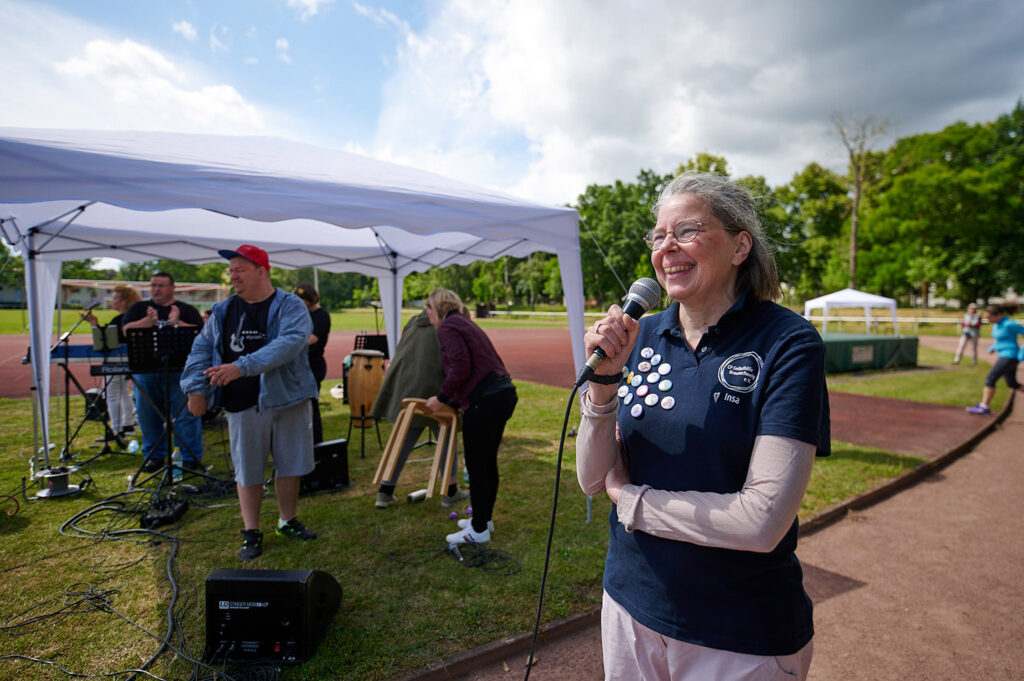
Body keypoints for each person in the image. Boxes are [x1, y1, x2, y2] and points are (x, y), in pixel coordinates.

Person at [577, 172, 829, 680]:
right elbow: (591, 478)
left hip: (738, 631)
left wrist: (631, 500)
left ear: (740, 246)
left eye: (687, 230)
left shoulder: (788, 342)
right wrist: (603, 386)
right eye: (657, 236)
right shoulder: (641, 335)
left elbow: (760, 523)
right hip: (629, 603)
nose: (666, 247)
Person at [181, 244, 319, 561]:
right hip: (242, 401)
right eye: (231, 271)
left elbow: (289, 344)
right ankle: (251, 531)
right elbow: (200, 350)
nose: (233, 276)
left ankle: (287, 521)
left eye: (240, 270)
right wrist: (195, 388)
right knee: (248, 470)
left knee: (290, 464)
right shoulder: (222, 311)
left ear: (261, 271)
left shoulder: (291, 306)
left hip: (287, 397)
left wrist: (241, 366)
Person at [424, 289, 517, 545]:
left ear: (437, 307)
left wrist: (442, 398)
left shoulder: (447, 327)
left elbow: (460, 366)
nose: (427, 313)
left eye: (428, 307)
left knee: (477, 465)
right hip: (501, 394)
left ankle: (478, 529)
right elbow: (474, 366)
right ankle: (483, 519)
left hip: (486, 400)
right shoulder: (463, 322)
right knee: (487, 463)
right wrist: (454, 401)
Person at [371, 309, 466, 509]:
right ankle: (450, 490)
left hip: (407, 388)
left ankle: (385, 490)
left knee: (405, 439)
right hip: (435, 388)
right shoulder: (447, 325)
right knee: (447, 436)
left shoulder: (414, 322)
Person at [122, 272, 204, 473]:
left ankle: (189, 457)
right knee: (148, 416)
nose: (156, 289)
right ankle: (154, 456)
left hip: (181, 372)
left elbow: (202, 334)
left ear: (172, 288)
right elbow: (126, 330)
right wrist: (147, 322)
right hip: (147, 371)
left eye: (161, 285)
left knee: (185, 416)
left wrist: (178, 323)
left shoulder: (186, 310)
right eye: (153, 285)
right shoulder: (139, 309)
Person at [82, 284, 142, 438]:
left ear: (124, 301)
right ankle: (127, 424)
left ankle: (116, 429)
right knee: (124, 392)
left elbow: (105, 341)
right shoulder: (134, 317)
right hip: (133, 359)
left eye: (115, 298)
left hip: (117, 359)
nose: (112, 301)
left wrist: (94, 324)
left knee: (113, 393)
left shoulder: (120, 319)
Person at [965, 303, 1024, 415]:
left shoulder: (1009, 324)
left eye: (990, 318)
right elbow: (1003, 339)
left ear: (999, 315)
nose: (988, 320)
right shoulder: (997, 324)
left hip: (1010, 356)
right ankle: (984, 406)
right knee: (1012, 384)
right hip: (1004, 355)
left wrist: (1022, 354)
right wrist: (994, 347)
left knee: (990, 379)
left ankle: (984, 407)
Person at [295, 282, 330, 443]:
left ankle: (316, 442)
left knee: (311, 406)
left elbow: (312, 339)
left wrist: (289, 343)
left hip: (314, 365)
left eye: (302, 299)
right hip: (300, 365)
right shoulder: (301, 314)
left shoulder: (321, 316)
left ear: (310, 300)